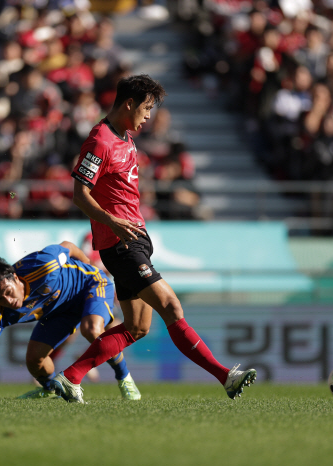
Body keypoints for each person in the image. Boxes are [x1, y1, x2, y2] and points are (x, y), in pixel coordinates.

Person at [50, 74, 257, 403]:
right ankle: (225, 377)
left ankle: (71, 376)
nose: (149, 116)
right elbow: (79, 194)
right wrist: (112, 221)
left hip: (134, 238)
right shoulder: (100, 140)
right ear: (129, 104)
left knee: (137, 328)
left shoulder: (125, 136)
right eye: (146, 108)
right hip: (120, 243)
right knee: (172, 307)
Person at [0, 241, 141, 401]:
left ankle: (124, 378)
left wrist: (87, 262)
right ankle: (53, 388)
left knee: (91, 330)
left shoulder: (43, 264)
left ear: (15, 278)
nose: (8, 301)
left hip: (90, 285)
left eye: (8, 292)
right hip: (59, 311)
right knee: (34, 360)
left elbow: (68, 247)